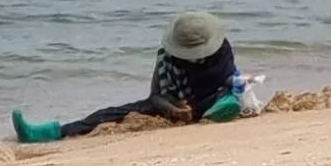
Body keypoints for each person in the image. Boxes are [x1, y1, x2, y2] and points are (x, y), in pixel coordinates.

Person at [12, 11, 241, 143]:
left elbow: (228, 77)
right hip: (175, 105)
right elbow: (155, 96)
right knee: (112, 113)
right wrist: (173, 109)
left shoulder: (221, 51)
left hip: (213, 96)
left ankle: (221, 109)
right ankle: (52, 132)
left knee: (229, 90)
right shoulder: (166, 58)